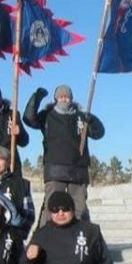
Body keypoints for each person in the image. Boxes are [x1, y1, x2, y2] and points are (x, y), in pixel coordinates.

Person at [23, 85, 105, 224]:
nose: (64, 99)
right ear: (56, 99)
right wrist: (36, 98)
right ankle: (44, 238)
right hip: (55, 168)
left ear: (71, 99)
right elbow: (29, 119)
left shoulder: (80, 116)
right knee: (51, 205)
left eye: (67, 97)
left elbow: (98, 134)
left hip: (78, 168)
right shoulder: (47, 115)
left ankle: (82, 237)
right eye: (61, 97)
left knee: (79, 207)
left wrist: (92, 120)